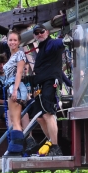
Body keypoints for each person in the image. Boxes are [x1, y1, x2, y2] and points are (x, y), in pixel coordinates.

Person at [27, 24, 65, 157]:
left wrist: (66, 40)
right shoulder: (42, 47)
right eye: (36, 33)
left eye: (41, 32)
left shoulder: (50, 44)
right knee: (39, 117)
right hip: (40, 84)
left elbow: (58, 43)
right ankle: (51, 143)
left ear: (47, 32)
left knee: (48, 113)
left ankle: (55, 146)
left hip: (50, 82)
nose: (39, 34)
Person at [3, 31, 30, 155]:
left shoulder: (20, 54)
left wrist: (14, 90)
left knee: (15, 121)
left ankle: (16, 149)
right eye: (10, 40)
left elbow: (19, 73)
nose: (12, 42)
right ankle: (17, 148)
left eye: (15, 40)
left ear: (19, 42)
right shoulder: (11, 56)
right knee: (14, 120)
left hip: (15, 87)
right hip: (11, 87)